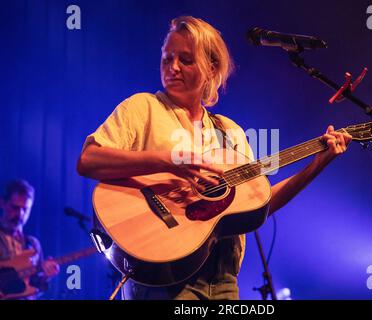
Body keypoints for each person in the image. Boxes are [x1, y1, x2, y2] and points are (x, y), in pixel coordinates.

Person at [77, 16, 352, 300]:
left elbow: (260, 204)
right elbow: (89, 160)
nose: (173, 67)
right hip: (162, 277)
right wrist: (167, 161)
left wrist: (318, 164)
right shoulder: (143, 108)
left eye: (185, 59)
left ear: (212, 68)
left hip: (223, 281)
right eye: (167, 58)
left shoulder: (229, 132)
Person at [0, 179, 60, 299]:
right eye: (15, 207)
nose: (20, 214)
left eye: (25, 209)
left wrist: (46, 276)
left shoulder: (32, 244)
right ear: (3, 203)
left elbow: (36, 288)